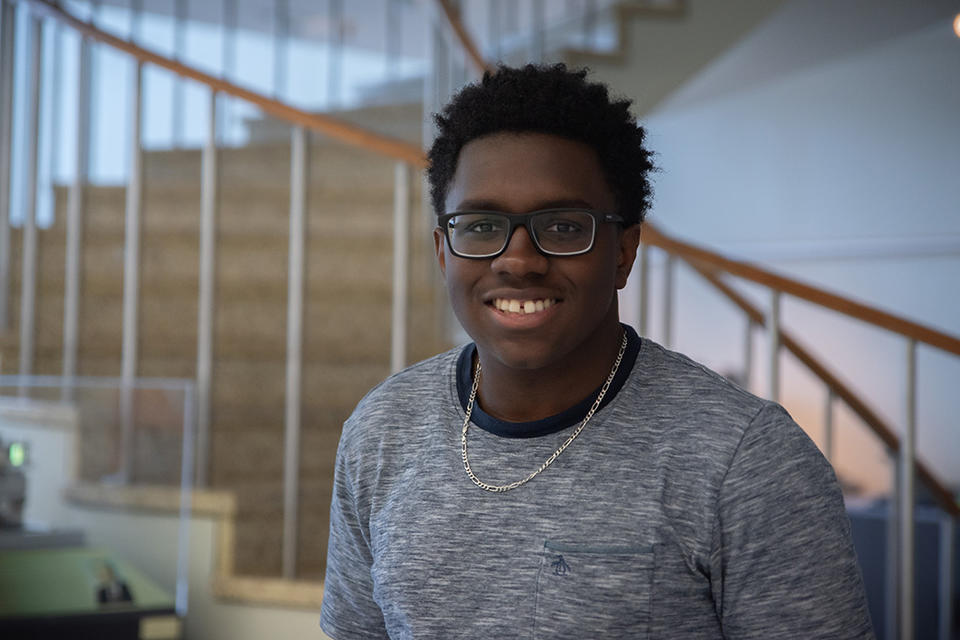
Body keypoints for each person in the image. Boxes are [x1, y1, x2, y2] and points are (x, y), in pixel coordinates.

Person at [320, 64, 874, 639]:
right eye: (481, 224)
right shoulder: (381, 431)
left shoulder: (746, 460)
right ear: (443, 252)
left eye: (561, 227)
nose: (518, 259)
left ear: (623, 252)